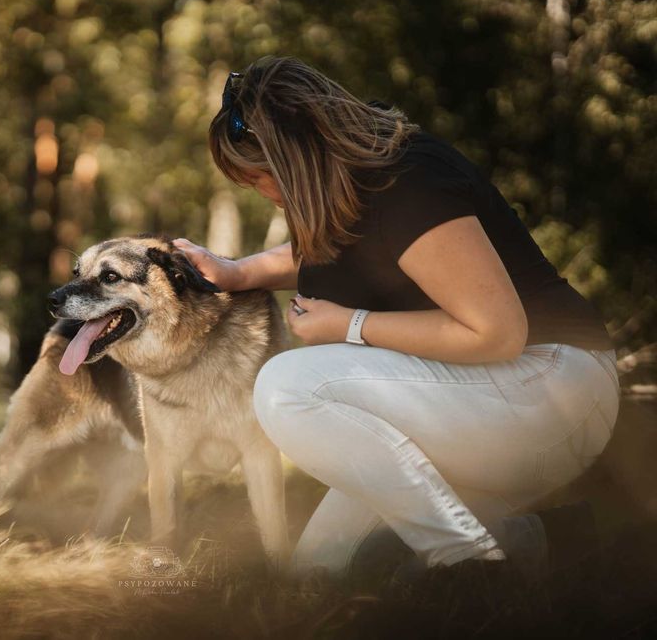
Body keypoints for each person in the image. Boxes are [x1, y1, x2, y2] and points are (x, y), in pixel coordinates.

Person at [173, 56, 620, 584]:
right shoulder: (356, 187)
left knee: (287, 386)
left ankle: (468, 564)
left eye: (260, 178)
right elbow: (328, 251)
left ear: (295, 160)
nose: (264, 193)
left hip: (552, 389)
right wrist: (235, 272)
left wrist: (350, 325)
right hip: (482, 407)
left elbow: (497, 333)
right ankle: (552, 544)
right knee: (321, 574)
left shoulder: (410, 186)